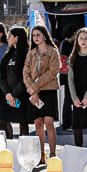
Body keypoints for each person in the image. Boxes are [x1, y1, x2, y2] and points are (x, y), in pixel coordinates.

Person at [24, 25, 63, 156]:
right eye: (34, 35)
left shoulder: (53, 52)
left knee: (49, 122)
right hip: (34, 93)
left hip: (49, 90)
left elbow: (52, 72)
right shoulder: (31, 53)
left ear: (45, 36)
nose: (35, 37)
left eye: (38, 35)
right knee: (38, 123)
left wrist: (34, 87)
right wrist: (34, 91)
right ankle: (40, 154)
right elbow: (25, 73)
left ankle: (52, 154)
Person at [0, 24, 32, 136]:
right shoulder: (8, 55)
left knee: (23, 123)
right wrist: (8, 94)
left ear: (17, 38)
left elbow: (26, 78)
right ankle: (8, 144)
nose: (7, 38)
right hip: (8, 95)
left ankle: (24, 145)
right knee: (2, 121)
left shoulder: (27, 55)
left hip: (22, 95)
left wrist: (14, 94)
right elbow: (2, 76)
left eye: (10, 36)